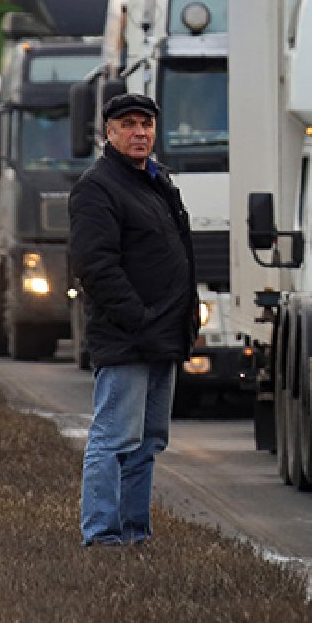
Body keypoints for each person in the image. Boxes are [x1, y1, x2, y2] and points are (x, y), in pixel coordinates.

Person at [67, 94, 198, 546]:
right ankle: (102, 537)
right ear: (109, 132)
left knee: (147, 443)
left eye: (146, 124)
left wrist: (184, 321)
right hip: (128, 337)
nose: (140, 132)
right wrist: (137, 318)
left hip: (164, 336)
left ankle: (135, 535)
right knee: (114, 440)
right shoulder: (97, 187)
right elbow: (95, 265)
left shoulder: (158, 183)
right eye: (128, 124)